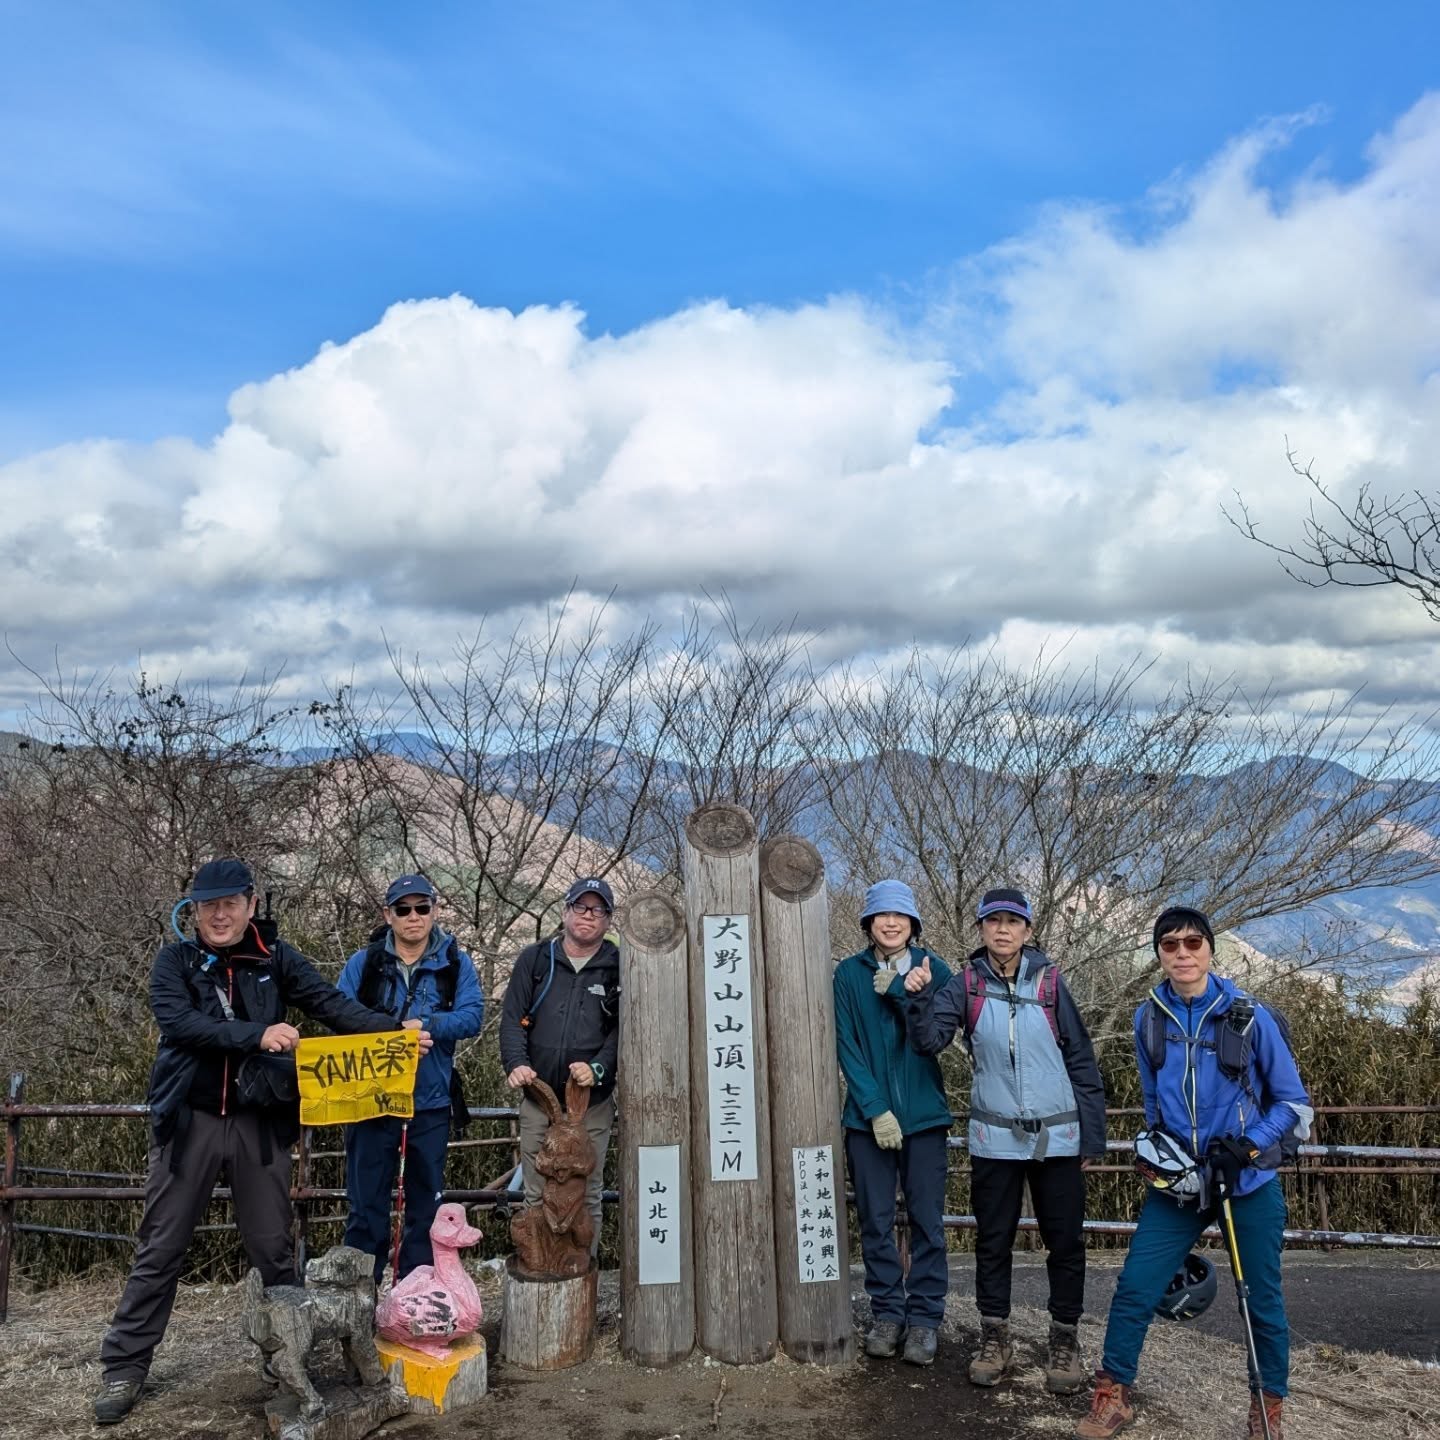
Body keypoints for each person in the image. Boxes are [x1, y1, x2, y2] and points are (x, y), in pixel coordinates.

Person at [94, 859, 407, 1426]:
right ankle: (124, 1366)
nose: (219, 914)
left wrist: (391, 1031)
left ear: (251, 904)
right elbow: (181, 1023)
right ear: (192, 910)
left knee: (274, 1249)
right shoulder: (176, 962)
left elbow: (329, 1005)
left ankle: (286, 1360)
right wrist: (256, 1034)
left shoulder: (275, 959)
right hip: (189, 1123)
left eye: (230, 902)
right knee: (161, 1247)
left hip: (259, 1125)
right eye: (207, 905)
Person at [1077, 907, 1312, 1440]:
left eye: (1192, 942)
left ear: (1211, 949)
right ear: (1158, 953)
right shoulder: (1149, 1017)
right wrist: (1159, 1154)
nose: (1182, 953)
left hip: (1246, 1182)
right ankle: (1112, 1394)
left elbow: (1293, 1103)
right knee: (1136, 1285)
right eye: (1170, 944)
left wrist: (1246, 1149)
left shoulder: (1249, 1016)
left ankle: (1267, 1410)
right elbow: (1152, 1101)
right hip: (1180, 1183)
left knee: (1260, 1297)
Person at [897, 888, 1106, 1394]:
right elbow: (929, 1042)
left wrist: (1091, 1139)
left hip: (1058, 1136)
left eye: (1014, 922)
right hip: (994, 1138)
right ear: (982, 929)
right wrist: (919, 997)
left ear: (1028, 931)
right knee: (993, 1242)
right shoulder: (964, 986)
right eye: (994, 922)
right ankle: (995, 1338)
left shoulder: (1052, 983)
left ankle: (1064, 1340)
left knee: (1065, 1242)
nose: (1003, 930)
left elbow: (1081, 1059)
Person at [336, 874, 484, 1285]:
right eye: (403, 909)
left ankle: (414, 1300)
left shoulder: (455, 963)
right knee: (366, 1205)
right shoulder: (363, 964)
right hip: (372, 1099)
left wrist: (428, 1024)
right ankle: (359, 1301)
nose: (413, 917)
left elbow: (473, 1017)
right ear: (388, 915)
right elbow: (337, 1014)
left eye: (422, 907)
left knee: (424, 1206)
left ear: (435, 911)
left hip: (431, 1101)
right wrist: (393, 1035)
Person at [834, 879, 954, 1366]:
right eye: (881, 916)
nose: (890, 923)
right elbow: (848, 1046)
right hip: (867, 1122)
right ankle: (887, 1312)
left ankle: (924, 1320)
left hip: (925, 1117)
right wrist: (874, 1107)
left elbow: (936, 1038)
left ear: (913, 924)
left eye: (900, 917)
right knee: (876, 1221)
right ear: (868, 923)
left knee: (928, 1222)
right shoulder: (848, 974)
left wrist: (905, 993)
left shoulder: (936, 969)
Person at [498, 876, 621, 1254]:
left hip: (592, 1103)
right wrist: (516, 1063)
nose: (588, 916)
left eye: (598, 909)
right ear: (565, 911)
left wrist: (598, 1068)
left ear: (608, 920)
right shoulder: (536, 960)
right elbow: (512, 1017)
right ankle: (541, 1273)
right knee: (536, 1192)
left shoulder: (618, 967)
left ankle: (585, 1274)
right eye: (580, 907)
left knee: (589, 1193)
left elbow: (625, 1029)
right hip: (540, 1098)